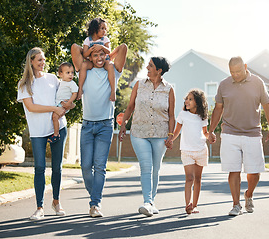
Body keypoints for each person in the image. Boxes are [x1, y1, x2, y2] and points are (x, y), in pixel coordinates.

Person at [208, 56, 269, 216]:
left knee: (254, 172)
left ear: (245, 67)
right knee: (233, 170)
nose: (236, 75)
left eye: (238, 71)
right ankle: (236, 204)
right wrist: (211, 130)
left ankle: (249, 195)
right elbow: (218, 109)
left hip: (252, 133)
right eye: (232, 72)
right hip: (230, 132)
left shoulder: (257, 82)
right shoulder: (224, 84)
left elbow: (267, 106)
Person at [71, 42, 128, 217]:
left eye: (101, 55)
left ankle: (95, 203)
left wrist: (105, 50)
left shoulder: (113, 71)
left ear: (106, 56)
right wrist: (89, 50)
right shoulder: (84, 71)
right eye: (95, 55)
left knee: (100, 166)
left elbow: (124, 47)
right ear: (90, 57)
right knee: (86, 166)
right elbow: (74, 47)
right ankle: (95, 192)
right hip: (87, 125)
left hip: (105, 125)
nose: (99, 58)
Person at [17, 47, 74, 220]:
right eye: (39, 60)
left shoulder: (53, 79)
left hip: (58, 127)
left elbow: (64, 98)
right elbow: (31, 107)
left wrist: (67, 106)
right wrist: (53, 108)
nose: (43, 62)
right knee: (40, 168)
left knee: (57, 168)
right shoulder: (24, 84)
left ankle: (56, 202)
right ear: (31, 62)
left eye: (44, 59)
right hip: (38, 131)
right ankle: (39, 207)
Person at [118, 57, 175, 217]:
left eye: (151, 66)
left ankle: (152, 202)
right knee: (146, 167)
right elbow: (130, 107)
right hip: (139, 132)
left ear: (159, 70)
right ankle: (147, 202)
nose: (147, 67)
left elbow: (171, 115)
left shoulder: (169, 89)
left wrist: (171, 136)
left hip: (160, 134)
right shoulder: (139, 84)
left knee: (155, 169)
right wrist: (124, 125)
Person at [170, 89, 209, 214]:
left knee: (198, 179)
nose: (187, 101)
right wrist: (171, 139)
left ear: (197, 102)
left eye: (190, 99)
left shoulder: (202, 116)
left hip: (201, 150)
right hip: (187, 151)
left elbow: (205, 133)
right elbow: (177, 131)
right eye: (186, 98)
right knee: (189, 178)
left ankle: (195, 205)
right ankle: (188, 205)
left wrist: (211, 136)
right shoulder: (183, 114)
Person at [72, 17, 121, 102]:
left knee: (110, 66)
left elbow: (108, 51)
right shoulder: (88, 40)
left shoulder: (105, 39)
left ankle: (113, 91)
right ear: (95, 28)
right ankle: (80, 89)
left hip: (104, 60)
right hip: (91, 61)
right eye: (102, 28)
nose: (104, 31)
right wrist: (90, 50)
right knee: (83, 65)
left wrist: (102, 47)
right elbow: (84, 54)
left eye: (105, 29)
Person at [48, 62, 78, 143]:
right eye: (68, 73)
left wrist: (69, 103)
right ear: (60, 74)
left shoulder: (72, 83)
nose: (71, 75)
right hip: (59, 103)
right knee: (53, 117)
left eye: (72, 72)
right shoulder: (61, 82)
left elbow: (75, 93)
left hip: (64, 104)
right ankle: (55, 133)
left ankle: (56, 135)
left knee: (55, 117)